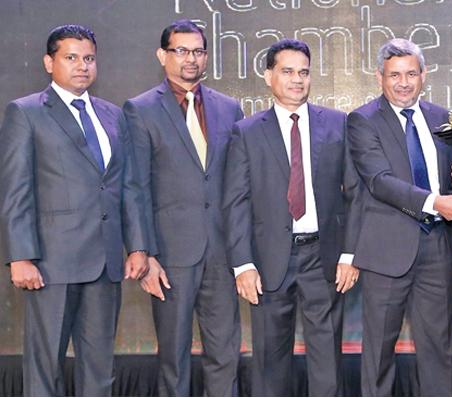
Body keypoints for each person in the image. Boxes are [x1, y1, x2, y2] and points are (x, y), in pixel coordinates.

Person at [0, 24, 150, 396]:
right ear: (49, 62)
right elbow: (16, 190)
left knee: (100, 368)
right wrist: (20, 256)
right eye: (71, 58)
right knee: (45, 364)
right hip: (51, 262)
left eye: (88, 58)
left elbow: (126, 187)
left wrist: (137, 246)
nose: (82, 66)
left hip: (105, 263)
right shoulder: (27, 112)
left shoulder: (114, 115)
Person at [223, 38, 361, 396]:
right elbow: (235, 201)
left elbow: (356, 194)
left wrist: (349, 254)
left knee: (327, 360)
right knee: (270, 361)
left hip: (325, 258)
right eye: (287, 71)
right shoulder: (247, 131)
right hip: (269, 262)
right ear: (269, 76)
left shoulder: (337, 124)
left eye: (304, 72)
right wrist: (242, 264)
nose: (297, 79)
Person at [348, 38, 452, 396]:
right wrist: (436, 202)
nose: (403, 83)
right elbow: (378, 181)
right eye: (394, 75)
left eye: (411, 74)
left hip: (437, 249)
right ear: (380, 77)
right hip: (386, 254)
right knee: (379, 355)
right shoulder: (363, 120)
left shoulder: (442, 118)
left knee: (438, 351)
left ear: (424, 75)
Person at [123, 20, 243, 396]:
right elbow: (135, 185)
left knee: (225, 354)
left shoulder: (229, 108)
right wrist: (144, 252)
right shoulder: (140, 110)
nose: (190, 59)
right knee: (174, 358)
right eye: (181, 50)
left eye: (197, 51)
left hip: (222, 253)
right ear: (163, 55)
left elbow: (238, 186)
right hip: (170, 256)